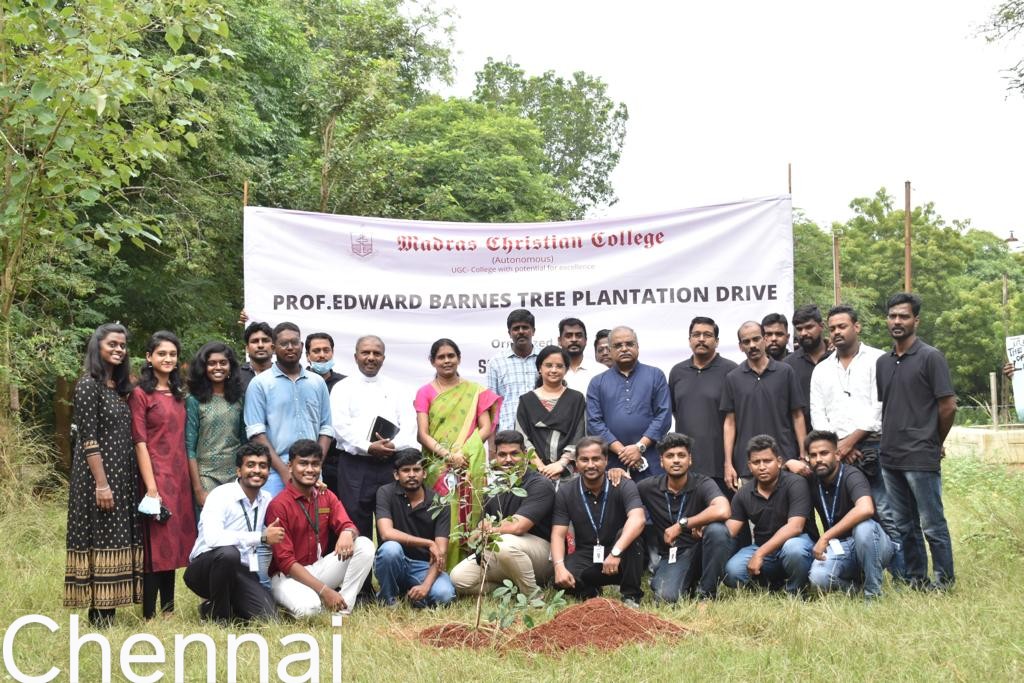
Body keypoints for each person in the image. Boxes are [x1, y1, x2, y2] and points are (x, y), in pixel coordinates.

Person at [809, 304, 909, 577]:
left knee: (885, 511)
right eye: (832, 328)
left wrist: (851, 442)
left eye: (842, 326)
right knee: (846, 513)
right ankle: (857, 570)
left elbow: (880, 407)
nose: (837, 332)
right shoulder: (821, 370)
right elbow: (818, 415)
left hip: (874, 446)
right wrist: (839, 447)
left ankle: (902, 575)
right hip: (837, 454)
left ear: (857, 327)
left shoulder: (879, 360)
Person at [877, 292, 957, 590]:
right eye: (892, 316)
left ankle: (944, 581)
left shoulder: (931, 357)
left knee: (932, 524)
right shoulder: (883, 362)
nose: (897, 321)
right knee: (904, 525)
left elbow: (948, 406)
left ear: (916, 321)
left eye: (904, 316)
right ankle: (916, 578)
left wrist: (935, 440)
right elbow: (890, 406)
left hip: (921, 456)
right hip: (890, 457)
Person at [64, 323, 143, 627]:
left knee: (114, 539)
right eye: (112, 344)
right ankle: (99, 618)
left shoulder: (117, 388)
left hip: (120, 478)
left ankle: (108, 614)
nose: (119, 349)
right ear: (97, 346)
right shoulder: (89, 385)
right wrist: (101, 484)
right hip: (97, 479)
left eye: (122, 345)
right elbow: (88, 439)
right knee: (101, 540)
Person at [415, 338, 501, 568]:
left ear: (459, 358)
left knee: (470, 513)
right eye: (441, 357)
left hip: (469, 462)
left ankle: (469, 570)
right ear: (432, 361)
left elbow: (485, 427)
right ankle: (441, 568)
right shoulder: (425, 392)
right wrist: (448, 455)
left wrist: (463, 453)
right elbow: (422, 434)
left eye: (451, 356)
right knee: (444, 515)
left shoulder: (475, 391)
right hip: (438, 466)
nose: (447, 361)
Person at [129, 330, 197, 619]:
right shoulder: (140, 395)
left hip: (180, 478)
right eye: (161, 354)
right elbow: (139, 442)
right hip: (155, 476)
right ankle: (149, 614)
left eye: (172, 354)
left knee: (173, 546)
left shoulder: (181, 395)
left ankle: (168, 612)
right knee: (155, 547)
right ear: (149, 357)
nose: (167, 359)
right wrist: (151, 487)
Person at [266, 439, 374, 617]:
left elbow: (348, 525)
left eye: (315, 464)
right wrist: (325, 591)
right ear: (290, 467)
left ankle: (342, 610)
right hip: (287, 576)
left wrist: (347, 532)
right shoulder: (279, 505)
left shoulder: (326, 496)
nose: (310, 469)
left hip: (317, 568)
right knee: (310, 610)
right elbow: (286, 562)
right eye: (303, 463)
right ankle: (313, 601)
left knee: (365, 545)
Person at [330, 335, 418, 537]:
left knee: (394, 524)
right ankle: (361, 560)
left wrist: (391, 446)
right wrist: (368, 447)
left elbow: (409, 425)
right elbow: (339, 426)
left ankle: (391, 559)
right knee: (355, 526)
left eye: (376, 353)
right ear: (355, 357)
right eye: (365, 352)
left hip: (390, 463)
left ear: (383, 358)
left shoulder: (398, 388)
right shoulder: (342, 388)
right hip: (355, 466)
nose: (371, 357)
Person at [184, 443, 283, 622]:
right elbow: (213, 539)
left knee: (269, 619)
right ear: (239, 471)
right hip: (205, 568)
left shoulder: (267, 499)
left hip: (241, 570)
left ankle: (213, 607)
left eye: (262, 466)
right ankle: (220, 618)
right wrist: (260, 537)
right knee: (228, 554)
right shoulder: (220, 495)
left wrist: (314, 489)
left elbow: (289, 506)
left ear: (268, 472)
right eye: (250, 465)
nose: (257, 470)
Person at [451, 431, 556, 597]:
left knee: (504, 544)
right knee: (459, 578)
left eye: (514, 453)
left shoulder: (539, 484)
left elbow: (518, 526)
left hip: (542, 556)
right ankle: (513, 590)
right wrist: (479, 533)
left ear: (525, 455)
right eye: (502, 455)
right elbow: (477, 532)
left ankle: (533, 596)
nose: (508, 459)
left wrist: (488, 530)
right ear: (495, 456)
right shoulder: (494, 488)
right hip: (505, 551)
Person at [636, 433, 732, 602]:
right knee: (666, 598)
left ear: (690, 460)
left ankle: (707, 595)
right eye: (670, 456)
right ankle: (688, 583)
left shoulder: (703, 483)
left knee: (717, 531)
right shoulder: (648, 487)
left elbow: (723, 510)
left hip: (700, 550)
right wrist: (617, 472)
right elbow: (624, 495)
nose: (676, 460)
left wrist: (683, 524)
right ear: (661, 461)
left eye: (681, 455)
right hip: (673, 555)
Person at [551, 437, 646, 606]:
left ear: (606, 460)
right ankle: (591, 593)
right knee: (563, 579)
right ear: (576, 463)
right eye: (584, 460)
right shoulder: (566, 492)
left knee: (632, 538)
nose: (590, 465)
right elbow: (558, 534)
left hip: (620, 553)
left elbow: (638, 519)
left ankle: (631, 596)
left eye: (596, 459)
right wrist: (559, 567)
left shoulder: (623, 484)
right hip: (587, 553)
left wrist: (615, 553)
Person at [244, 321, 333, 497]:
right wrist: (285, 472)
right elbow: (256, 433)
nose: (290, 347)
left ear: (302, 346)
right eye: (284, 343)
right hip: (275, 473)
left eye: (294, 342)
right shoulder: (260, 384)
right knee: (275, 515)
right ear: (273, 348)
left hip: (312, 472)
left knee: (313, 515)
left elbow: (326, 428)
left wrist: (314, 464)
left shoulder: (317, 382)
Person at [805, 431, 894, 599]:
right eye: (813, 455)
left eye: (824, 453)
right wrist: (789, 463)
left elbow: (866, 508)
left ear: (838, 455)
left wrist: (825, 537)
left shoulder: (852, 475)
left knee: (863, 528)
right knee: (818, 579)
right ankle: (857, 589)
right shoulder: (812, 480)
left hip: (872, 542)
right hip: (840, 546)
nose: (818, 459)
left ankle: (873, 593)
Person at [721, 321, 808, 492]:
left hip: (785, 460)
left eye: (756, 339)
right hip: (748, 465)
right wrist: (728, 463)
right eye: (746, 342)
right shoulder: (733, 378)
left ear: (765, 339)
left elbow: (798, 416)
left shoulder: (786, 372)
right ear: (740, 346)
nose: (752, 345)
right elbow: (730, 423)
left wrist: (803, 455)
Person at [723, 435, 814, 595]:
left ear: (779, 462)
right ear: (749, 466)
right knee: (733, 571)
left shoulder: (795, 483)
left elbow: (795, 527)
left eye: (767, 461)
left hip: (796, 542)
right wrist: (706, 528)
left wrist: (759, 554)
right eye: (756, 462)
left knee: (794, 549)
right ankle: (769, 585)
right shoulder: (743, 493)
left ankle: (796, 590)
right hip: (763, 547)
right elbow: (730, 530)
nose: (762, 467)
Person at [586, 326, 671, 480]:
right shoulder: (597, 382)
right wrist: (622, 452)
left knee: (652, 494)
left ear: (637, 347)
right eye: (618, 345)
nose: (624, 349)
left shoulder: (655, 375)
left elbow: (663, 416)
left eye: (629, 344)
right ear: (610, 350)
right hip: (613, 462)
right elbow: (594, 423)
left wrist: (640, 447)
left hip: (651, 458)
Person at [374, 450, 457, 607]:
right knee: (390, 549)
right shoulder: (385, 493)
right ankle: (388, 599)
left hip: (424, 566)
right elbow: (386, 533)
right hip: (395, 561)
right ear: (396, 475)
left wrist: (426, 586)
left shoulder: (440, 503)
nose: (412, 475)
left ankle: (412, 595)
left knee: (445, 595)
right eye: (406, 470)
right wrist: (428, 543)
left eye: (416, 470)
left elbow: (440, 552)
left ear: (424, 473)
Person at [667, 316, 738, 493]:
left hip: (721, 466)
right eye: (696, 334)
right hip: (685, 466)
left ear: (717, 341)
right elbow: (675, 411)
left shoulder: (731, 371)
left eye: (707, 335)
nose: (701, 339)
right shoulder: (677, 372)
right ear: (689, 340)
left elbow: (736, 418)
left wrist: (729, 463)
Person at [186, 341, 248, 505]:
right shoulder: (194, 400)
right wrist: (198, 490)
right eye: (212, 363)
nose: (218, 367)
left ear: (230, 366)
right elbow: (190, 448)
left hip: (235, 476)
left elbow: (244, 441)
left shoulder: (239, 399)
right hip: (205, 476)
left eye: (223, 363)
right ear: (203, 367)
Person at [516, 345, 586, 480]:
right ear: (539, 368)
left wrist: (561, 463)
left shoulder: (576, 399)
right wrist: (540, 467)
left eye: (559, 366)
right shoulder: (527, 400)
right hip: (534, 473)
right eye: (548, 365)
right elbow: (522, 437)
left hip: (569, 472)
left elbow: (580, 434)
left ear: (566, 370)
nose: (554, 370)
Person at [486, 309, 539, 431]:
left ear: (533, 331)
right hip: (508, 433)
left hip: (540, 432)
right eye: (516, 328)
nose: (521, 332)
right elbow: (492, 406)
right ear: (509, 333)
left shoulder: (545, 359)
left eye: (525, 327)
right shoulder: (496, 362)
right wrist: (492, 440)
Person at [783, 304, 831, 430]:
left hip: (838, 435)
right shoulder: (787, 366)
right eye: (799, 329)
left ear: (821, 326)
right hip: (801, 436)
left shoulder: (837, 358)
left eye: (809, 327)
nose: (804, 333)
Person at [557, 317, 596, 393]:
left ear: (586, 340)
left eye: (579, 335)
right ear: (559, 341)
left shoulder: (600, 371)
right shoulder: (551, 371)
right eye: (568, 336)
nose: (574, 340)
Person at [239, 321, 274, 394]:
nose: (260, 345)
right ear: (247, 348)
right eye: (255, 341)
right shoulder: (236, 376)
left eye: (265, 341)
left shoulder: (284, 374)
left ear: (273, 347)